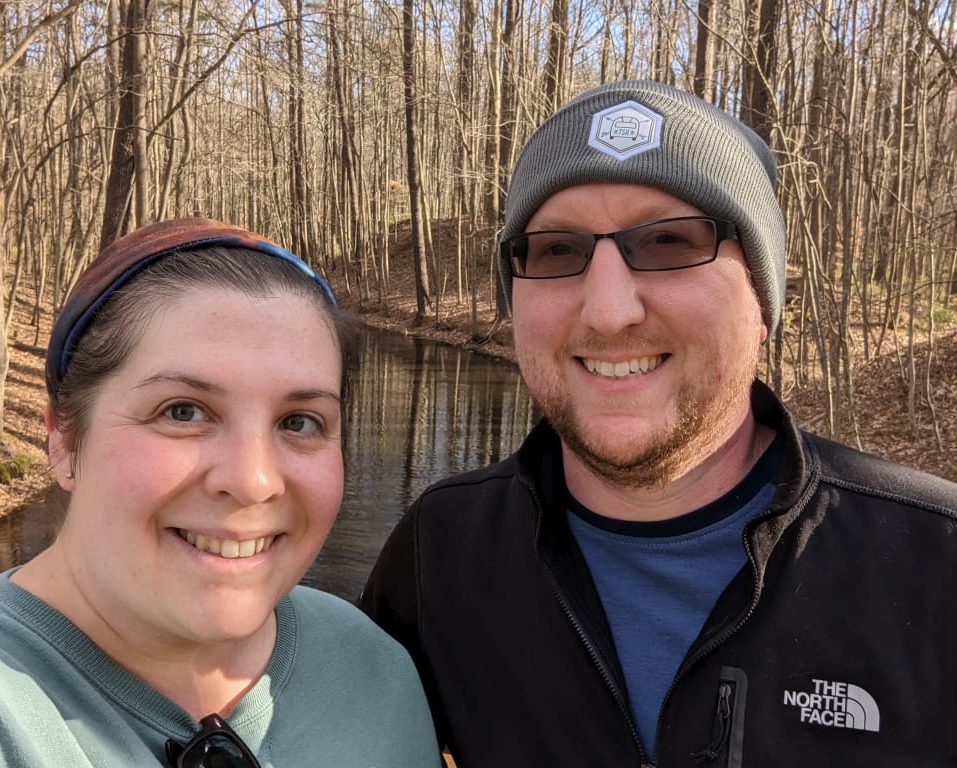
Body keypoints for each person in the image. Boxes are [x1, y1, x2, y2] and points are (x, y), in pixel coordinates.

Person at [359, 80, 957, 767]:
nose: (609, 311)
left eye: (669, 240)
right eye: (557, 250)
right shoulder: (441, 555)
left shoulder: (933, 565)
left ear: (762, 301)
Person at [0, 218, 442, 767]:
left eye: (299, 422)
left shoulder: (373, 668)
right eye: (183, 412)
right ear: (64, 439)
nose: (253, 481)